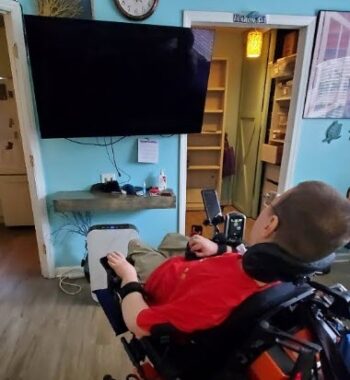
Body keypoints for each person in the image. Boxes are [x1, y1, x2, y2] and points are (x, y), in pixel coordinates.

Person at [107, 181, 350, 338]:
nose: (267, 204)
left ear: (270, 224)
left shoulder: (214, 301)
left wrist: (128, 278)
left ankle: (139, 259)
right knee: (173, 236)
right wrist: (219, 250)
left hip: (160, 285)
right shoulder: (282, 275)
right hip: (194, 269)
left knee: (135, 245)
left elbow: (139, 324)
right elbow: (243, 264)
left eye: (270, 201)